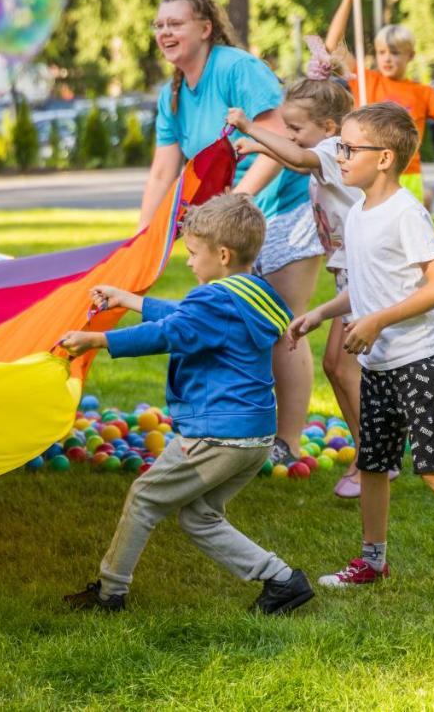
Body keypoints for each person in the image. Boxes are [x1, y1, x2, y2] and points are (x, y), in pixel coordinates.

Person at [57, 193, 315, 616]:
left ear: (223, 254)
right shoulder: (255, 294)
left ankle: (109, 593)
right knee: (200, 517)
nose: (189, 262)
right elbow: (188, 316)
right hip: (255, 436)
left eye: (194, 254)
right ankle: (282, 581)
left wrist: (98, 340)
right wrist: (130, 299)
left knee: (144, 498)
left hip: (216, 435)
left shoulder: (212, 301)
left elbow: (170, 332)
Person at [288, 103, 434, 601]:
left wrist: (379, 320)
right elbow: (366, 283)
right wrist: (323, 313)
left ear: (384, 158)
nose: (338, 155)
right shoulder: (360, 212)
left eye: (347, 147)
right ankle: (372, 560)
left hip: (420, 356)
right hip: (379, 362)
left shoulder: (405, 213)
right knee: (372, 462)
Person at [138, 0, 322, 469]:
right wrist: (144, 235)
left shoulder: (238, 68)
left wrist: (240, 200)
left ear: (205, 27)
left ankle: (288, 440)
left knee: (285, 325)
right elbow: (163, 170)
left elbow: (280, 137)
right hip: (230, 226)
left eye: (174, 23)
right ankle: (245, 432)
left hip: (282, 213)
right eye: (159, 26)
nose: (165, 33)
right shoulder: (172, 94)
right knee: (237, 327)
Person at [226, 36, 373, 499]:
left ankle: (374, 458)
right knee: (339, 366)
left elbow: (301, 156)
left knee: (343, 368)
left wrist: (251, 128)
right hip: (355, 276)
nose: (288, 135)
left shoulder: (333, 152)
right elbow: (295, 154)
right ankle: (374, 452)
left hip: (367, 278)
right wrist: (262, 150)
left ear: (328, 127)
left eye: (295, 127)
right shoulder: (329, 150)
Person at [325, 0, 434, 206]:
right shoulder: (365, 80)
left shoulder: (423, 92)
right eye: (382, 52)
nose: (388, 59)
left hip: (406, 175)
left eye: (395, 53)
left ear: (411, 55)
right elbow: (332, 46)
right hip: (368, 172)